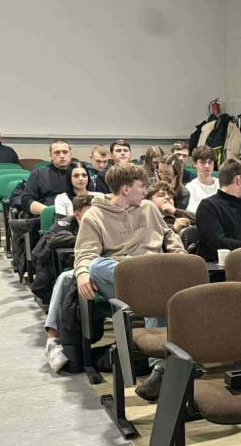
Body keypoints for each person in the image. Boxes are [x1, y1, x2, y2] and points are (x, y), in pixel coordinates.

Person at [73, 163, 186, 399]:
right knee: (97, 266)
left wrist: (180, 256)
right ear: (126, 189)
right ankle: (149, 280)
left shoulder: (148, 208)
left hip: (154, 274)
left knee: (156, 291)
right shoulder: (94, 215)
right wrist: (82, 273)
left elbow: (168, 234)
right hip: (123, 281)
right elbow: (85, 254)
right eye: (141, 186)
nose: (145, 191)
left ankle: (159, 368)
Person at [42, 195, 96, 371]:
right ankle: (53, 341)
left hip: (104, 266)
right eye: (90, 212)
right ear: (78, 215)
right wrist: (83, 239)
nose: (95, 215)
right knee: (65, 278)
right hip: (82, 268)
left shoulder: (105, 221)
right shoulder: (66, 223)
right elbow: (52, 240)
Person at [22, 140, 73, 216]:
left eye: (65, 152)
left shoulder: (79, 173)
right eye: (57, 153)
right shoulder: (39, 173)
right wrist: (49, 212)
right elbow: (26, 200)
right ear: (51, 155)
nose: (62, 155)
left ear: (71, 154)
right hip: (48, 214)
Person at [185, 145, 219, 215]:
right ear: (195, 163)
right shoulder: (190, 187)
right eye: (203, 162)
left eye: (210, 162)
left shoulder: (222, 184)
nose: (207, 166)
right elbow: (193, 212)